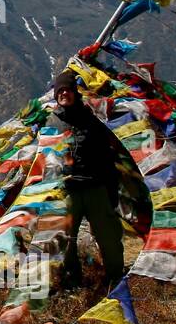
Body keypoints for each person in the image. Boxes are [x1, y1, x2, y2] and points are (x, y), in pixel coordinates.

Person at [49, 69, 126, 291]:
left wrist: (111, 191)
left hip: (95, 186)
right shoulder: (51, 122)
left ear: (75, 92)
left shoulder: (93, 120)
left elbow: (107, 157)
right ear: (56, 95)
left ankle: (116, 277)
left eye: (68, 90)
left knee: (108, 236)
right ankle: (73, 282)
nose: (64, 94)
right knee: (65, 240)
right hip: (67, 190)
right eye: (60, 91)